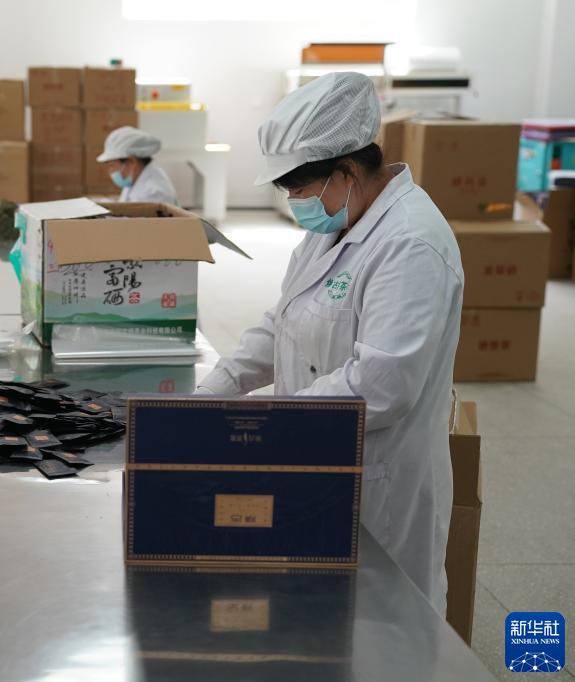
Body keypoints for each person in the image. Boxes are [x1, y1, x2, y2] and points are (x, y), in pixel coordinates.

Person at [196, 72, 463, 616]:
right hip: (315, 455)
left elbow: (382, 385)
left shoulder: (411, 244)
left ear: (346, 171)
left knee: (383, 625)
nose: (297, 202)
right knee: (320, 616)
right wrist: (214, 392)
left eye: (300, 190)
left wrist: (261, 425)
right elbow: (283, 321)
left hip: (378, 480)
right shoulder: (333, 227)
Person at [96, 126, 178, 204]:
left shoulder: (153, 193)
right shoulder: (135, 179)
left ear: (132, 161)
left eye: (112, 165)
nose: (110, 171)